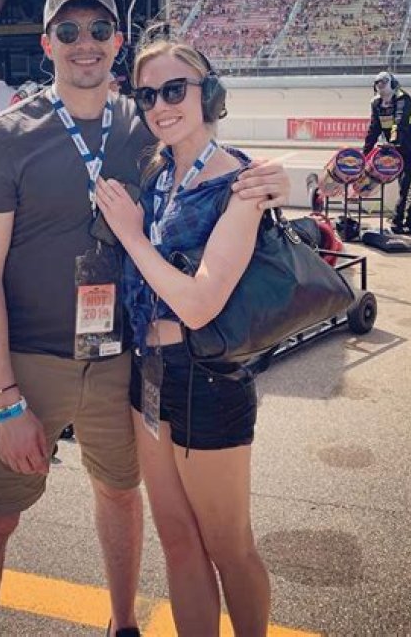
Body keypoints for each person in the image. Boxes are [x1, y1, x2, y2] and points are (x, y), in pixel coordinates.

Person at [0, 0, 289, 637]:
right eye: (69, 30)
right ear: (47, 43)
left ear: (118, 41)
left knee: (120, 495)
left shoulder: (143, 123)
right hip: (29, 361)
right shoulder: (6, 136)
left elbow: (210, 159)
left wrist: (273, 177)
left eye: (99, 29)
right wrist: (6, 398)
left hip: (120, 362)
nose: (85, 43)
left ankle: (123, 624)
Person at [95, 39, 270, 636]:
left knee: (229, 547)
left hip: (206, 378)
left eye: (175, 90)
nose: (161, 106)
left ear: (208, 94)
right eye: (148, 96)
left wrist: (132, 234)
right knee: (177, 539)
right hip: (149, 370)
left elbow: (198, 303)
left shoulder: (239, 184)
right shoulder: (157, 174)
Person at [362, 71, 411, 235]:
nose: (380, 86)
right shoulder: (376, 103)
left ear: (392, 83)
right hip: (400, 151)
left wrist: (393, 143)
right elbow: (374, 129)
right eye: (377, 83)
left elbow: (400, 123)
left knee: (409, 187)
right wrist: (365, 154)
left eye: (384, 82)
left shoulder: (403, 99)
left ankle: (398, 222)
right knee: (406, 186)